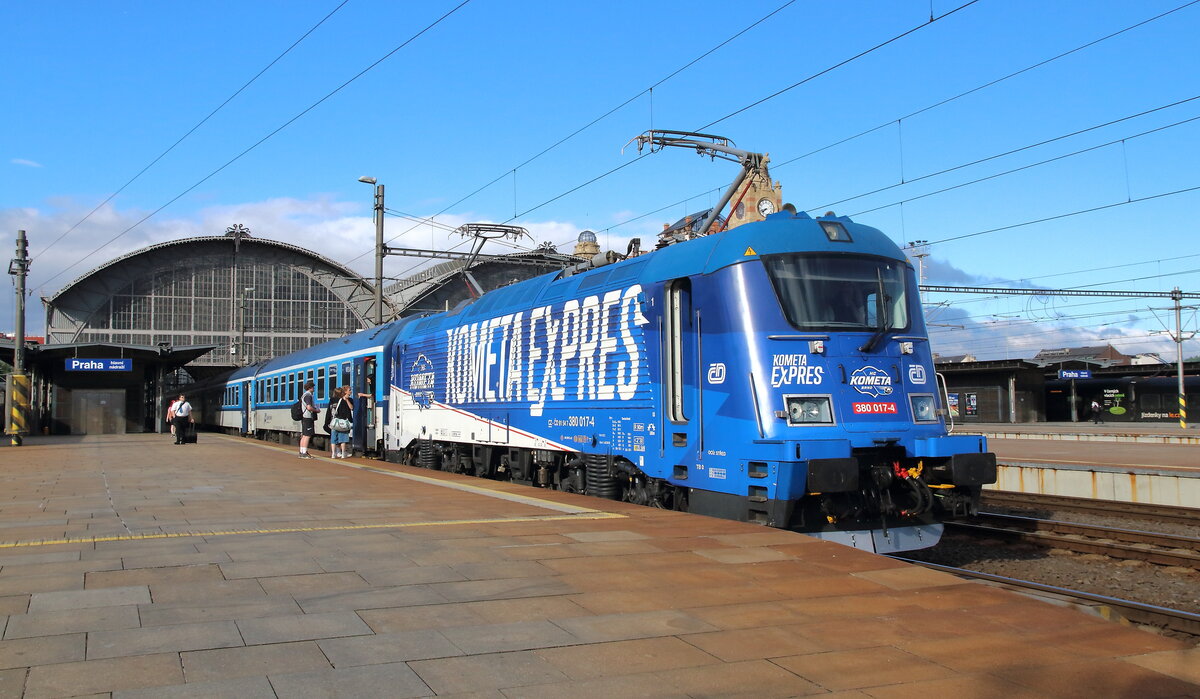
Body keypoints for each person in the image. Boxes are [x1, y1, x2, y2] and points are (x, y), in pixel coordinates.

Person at [325, 386, 354, 459]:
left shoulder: (332, 400)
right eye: (349, 390)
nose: (351, 391)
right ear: (344, 392)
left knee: (333, 439)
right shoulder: (344, 400)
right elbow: (349, 409)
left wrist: (327, 421)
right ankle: (343, 453)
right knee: (343, 439)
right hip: (342, 422)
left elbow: (330, 411)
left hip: (334, 422)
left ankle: (334, 454)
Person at [298, 381, 317, 458]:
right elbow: (309, 407)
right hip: (308, 417)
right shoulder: (308, 396)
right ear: (310, 388)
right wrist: (316, 410)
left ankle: (302, 452)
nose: (314, 388)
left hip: (304, 417)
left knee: (304, 435)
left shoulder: (304, 395)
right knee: (307, 435)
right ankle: (304, 453)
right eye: (313, 387)